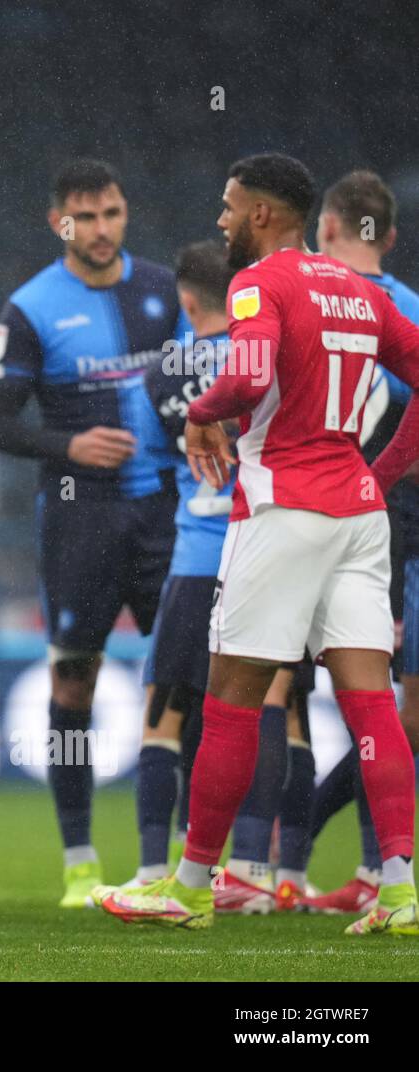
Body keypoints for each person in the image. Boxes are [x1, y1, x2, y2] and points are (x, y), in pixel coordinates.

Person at [101, 153, 419, 935]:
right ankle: (402, 888)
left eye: (229, 205)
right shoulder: (355, 288)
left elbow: (246, 378)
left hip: (281, 507)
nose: (220, 220)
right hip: (357, 516)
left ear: (264, 216)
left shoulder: (258, 285)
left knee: (233, 699)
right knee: (371, 703)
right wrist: (383, 473)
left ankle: (191, 886)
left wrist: (199, 412)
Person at [0, 159, 184, 907]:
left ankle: (182, 858)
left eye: (111, 213)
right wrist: (69, 447)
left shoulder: (166, 291)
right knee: (75, 679)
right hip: (81, 520)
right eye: (84, 217)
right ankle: (78, 857)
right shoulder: (30, 309)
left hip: (167, 516)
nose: (100, 230)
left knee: (183, 680)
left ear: (125, 212)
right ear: (57, 223)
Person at [295, 170, 419, 915]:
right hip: (385, 519)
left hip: (350, 522)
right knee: (381, 702)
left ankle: (281, 848)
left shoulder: (313, 301)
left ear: (328, 228)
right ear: (391, 235)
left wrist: (373, 476)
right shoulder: (408, 306)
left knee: (318, 691)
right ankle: (371, 868)